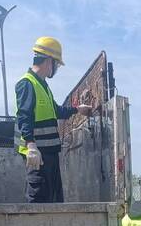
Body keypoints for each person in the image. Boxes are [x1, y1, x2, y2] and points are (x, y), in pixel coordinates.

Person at [14, 36, 92, 203]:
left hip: (49, 153)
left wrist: (77, 109)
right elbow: (24, 115)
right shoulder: (27, 83)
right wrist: (31, 146)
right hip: (38, 155)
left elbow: (55, 111)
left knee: (53, 198)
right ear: (49, 61)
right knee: (38, 198)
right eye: (56, 64)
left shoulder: (42, 85)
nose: (56, 68)